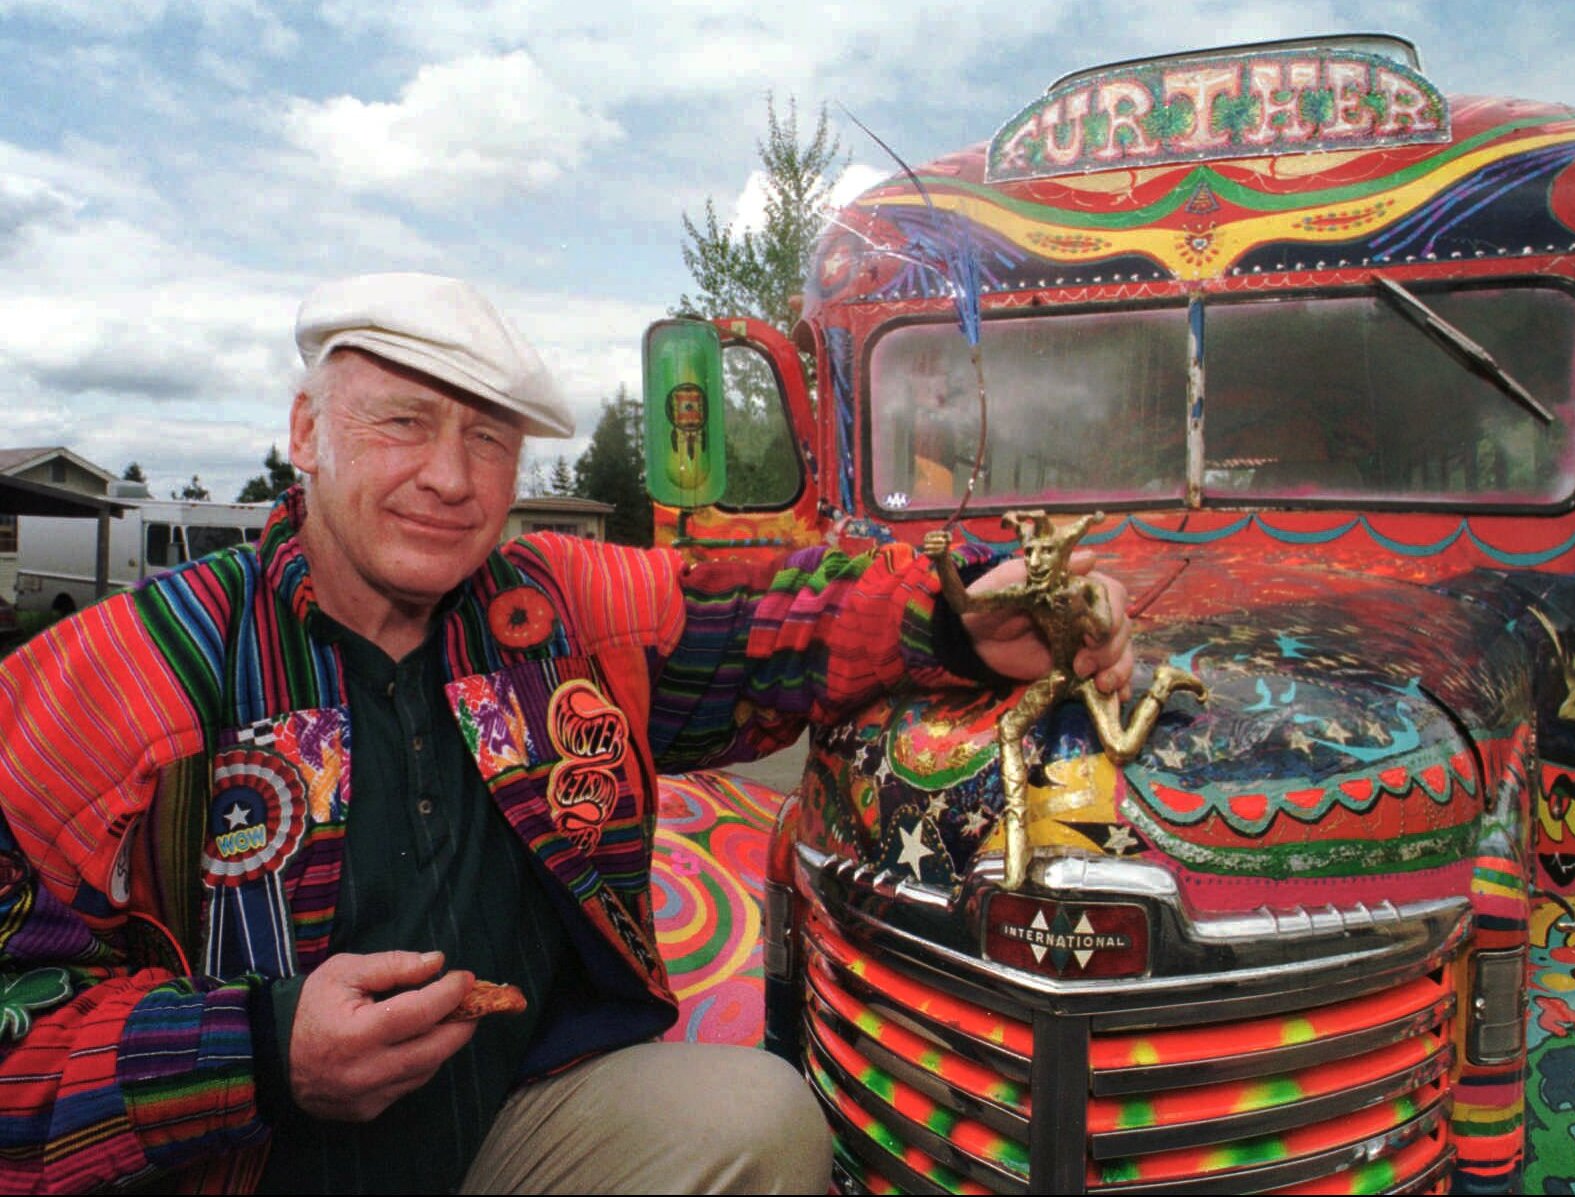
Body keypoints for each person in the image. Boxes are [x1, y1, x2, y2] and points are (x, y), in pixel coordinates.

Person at [0, 272, 1134, 1194]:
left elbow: (769, 620)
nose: (450, 478)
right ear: (307, 433)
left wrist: (966, 616)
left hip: (507, 1135)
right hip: (237, 1163)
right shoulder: (117, 673)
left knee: (751, 1112)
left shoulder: (558, 609)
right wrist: (253, 1056)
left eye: (490, 442)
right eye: (403, 424)